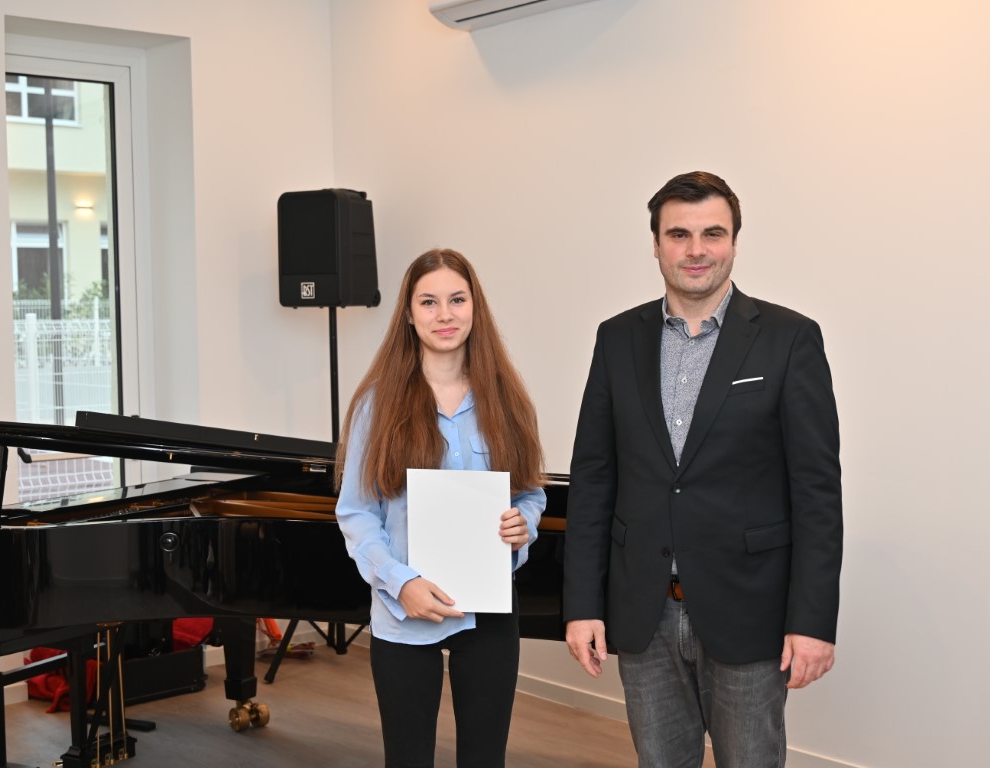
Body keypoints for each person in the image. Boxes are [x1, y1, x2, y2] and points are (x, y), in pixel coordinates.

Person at [563, 171, 843, 767]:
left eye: (712, 233)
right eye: (679, 234)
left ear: (734, 241)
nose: (696, 250)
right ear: (656, 244)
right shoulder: (616, 339)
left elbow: (816, 493)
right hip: (643, 612)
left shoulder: (790, 339)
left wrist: (813, 621)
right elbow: (593, 482)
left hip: (750, 611)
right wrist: (582, 604)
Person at [335, 247, 546, 768]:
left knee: (485, 759)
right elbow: (357, 513)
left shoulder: (508, 400)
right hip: (402, 613)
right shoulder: (376, 405)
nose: (444, 314)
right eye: (428, 302)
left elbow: (530, 493)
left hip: (489, 611)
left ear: (475, 307)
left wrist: (524, 525)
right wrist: (400, 582)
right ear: (409, 314)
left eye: (457, 299)